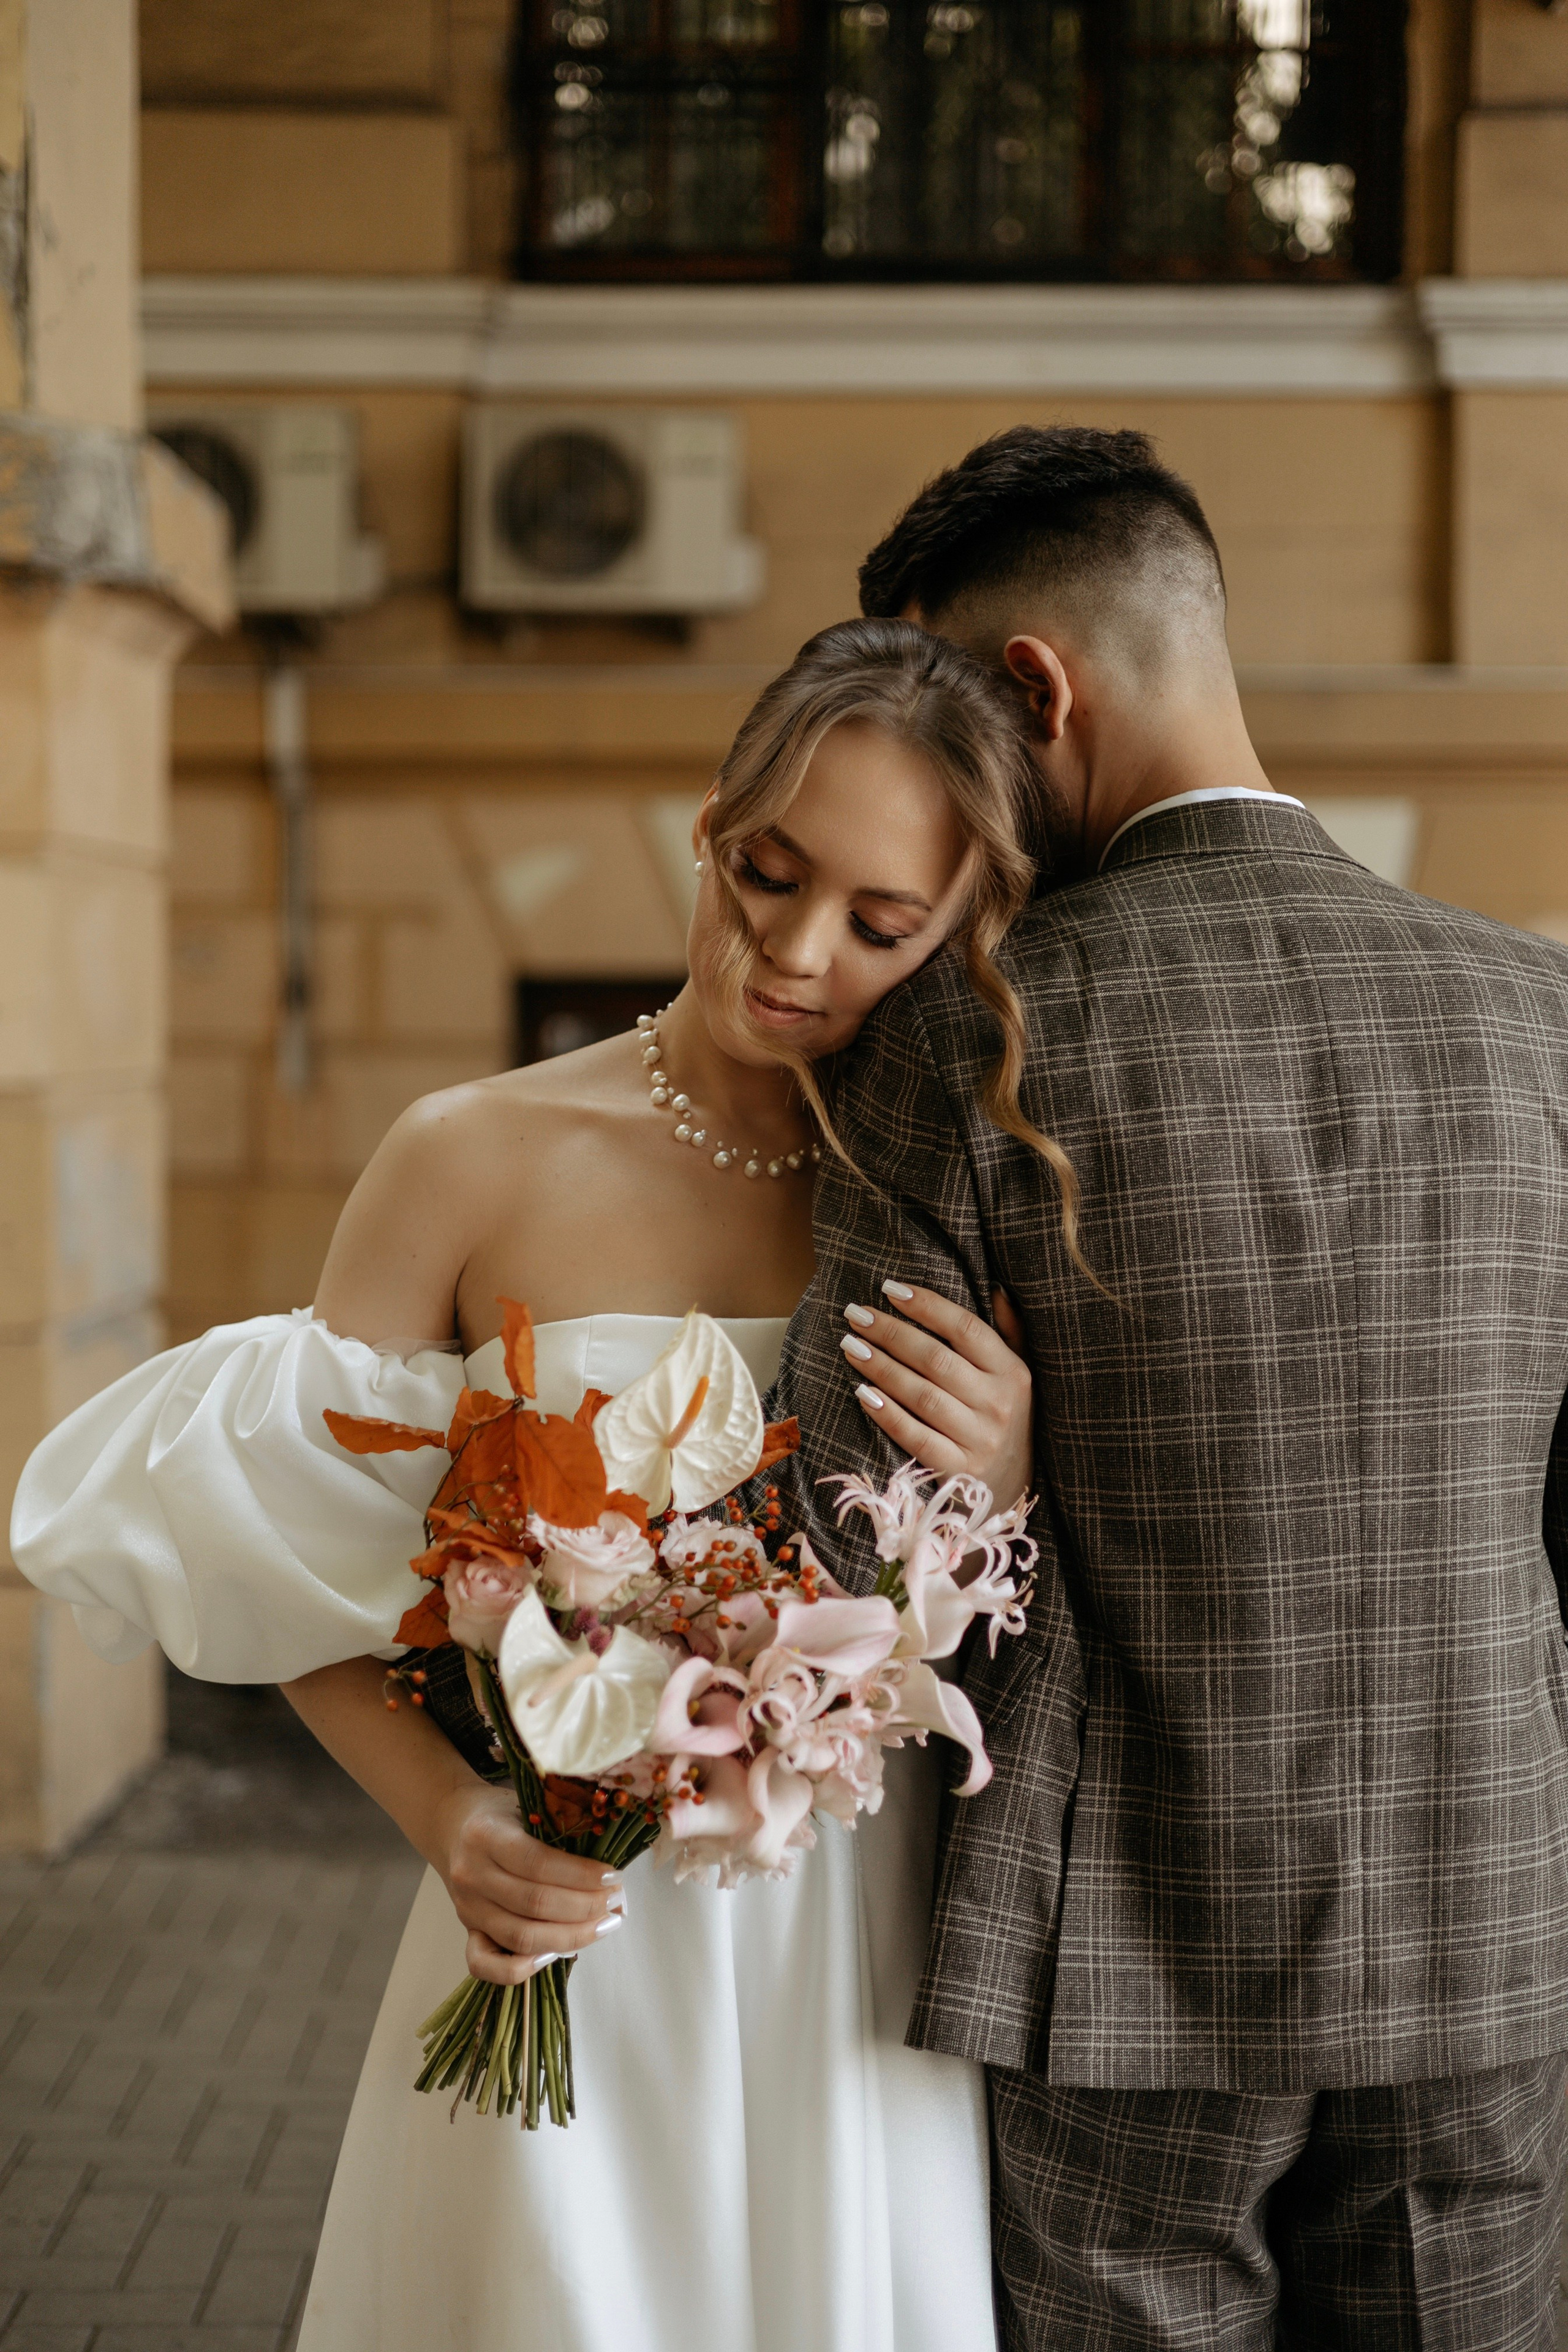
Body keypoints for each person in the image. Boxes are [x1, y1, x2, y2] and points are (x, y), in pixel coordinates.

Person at [11, 617, 1057, 2352]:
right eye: (765, 874)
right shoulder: (467, 1156)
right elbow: (284, 1558)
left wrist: (1008, 1474)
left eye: (879, 926)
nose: (791, 954)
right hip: (568, 1928)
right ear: (714, 824)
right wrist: (455, 1820)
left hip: (860, 1954)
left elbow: (1027, 1614)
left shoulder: (954, 1189)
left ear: (959, 932)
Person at [752, 423, 1568, 2350]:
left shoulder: (966, 1034)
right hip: (1492, 1904)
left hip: (1118, 1950)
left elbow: (843, 1530)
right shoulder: (1546, 1017)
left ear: (1032, 688)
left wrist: (1030, 1479)